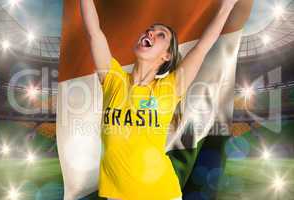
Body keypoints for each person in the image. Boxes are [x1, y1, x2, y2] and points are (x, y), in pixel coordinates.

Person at [80, 0, 239, 199]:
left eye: (160, 34)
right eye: (149, 30)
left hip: (161, 193)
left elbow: (202, 47)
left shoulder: (170, 87)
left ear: (167, 55)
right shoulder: (113, 79)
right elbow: (94, 32)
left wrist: (227, 6)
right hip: (116, 195)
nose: (150, 33)